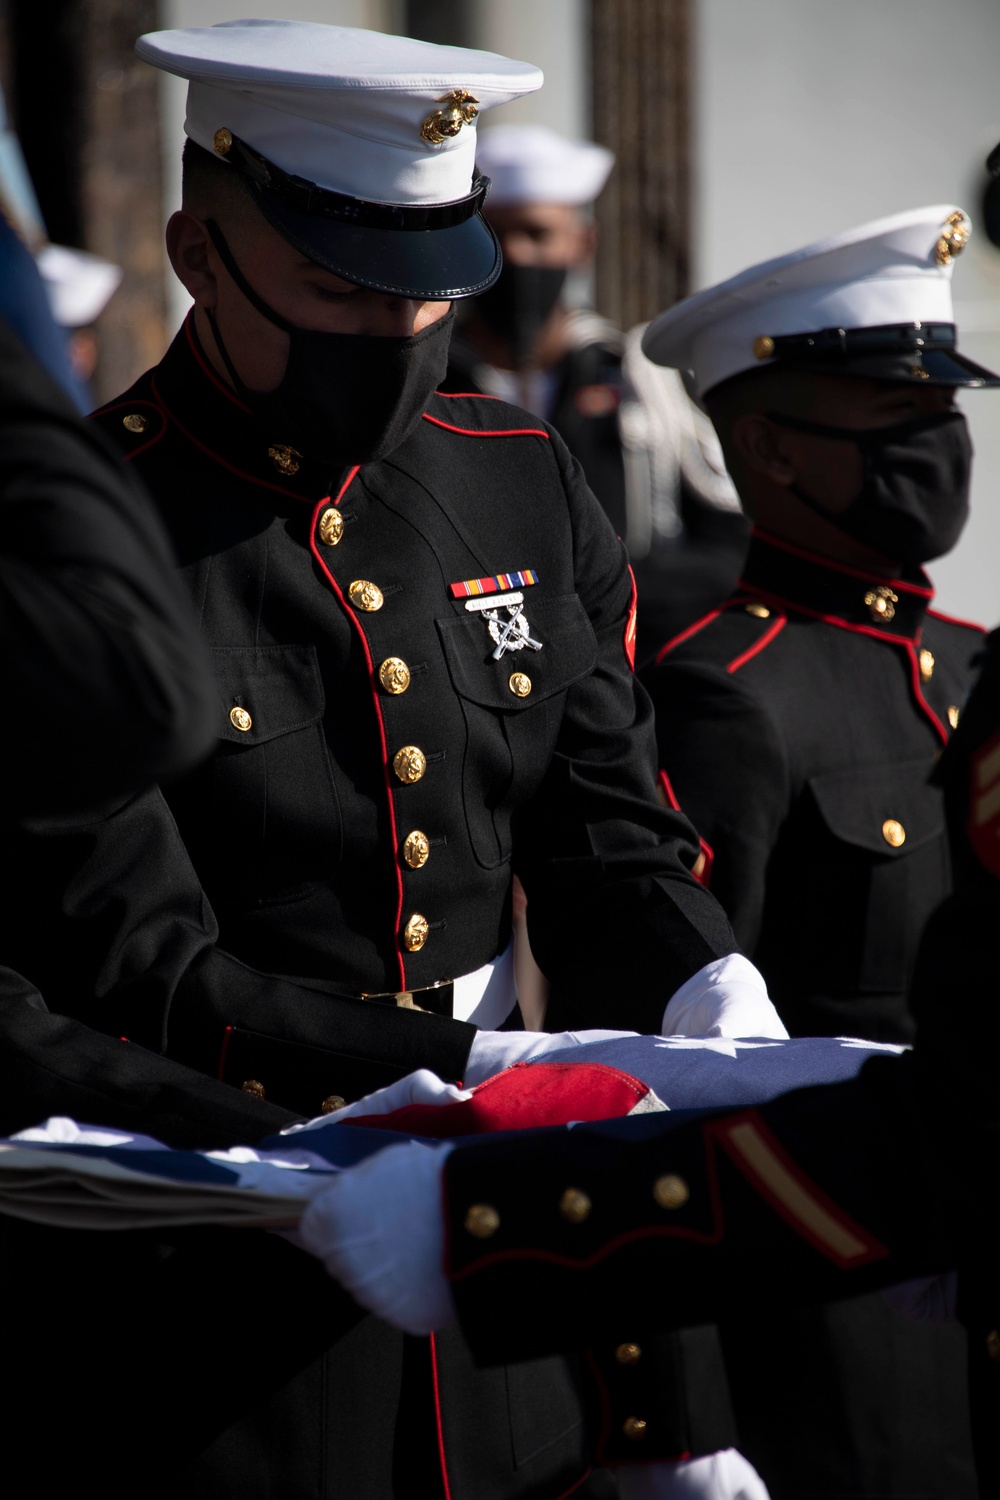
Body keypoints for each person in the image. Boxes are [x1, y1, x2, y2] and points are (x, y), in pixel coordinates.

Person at [3, 19, 779, 1500]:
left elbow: (606, 828)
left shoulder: (515, 475)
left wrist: (699, 983)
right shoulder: (87, 538)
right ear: (198, 249)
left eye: (427, 303)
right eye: (335, 293)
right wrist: (474, 1072)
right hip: (221, 1268)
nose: (388, 343)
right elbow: (144, 968)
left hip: (507, 1280)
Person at [632, 207, 993, 1498]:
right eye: (886, 418)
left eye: (943, 412)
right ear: (771, 446)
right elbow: (659, 1068)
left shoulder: (977, 667)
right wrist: (674, 1418)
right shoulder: (729, 694)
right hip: (840, 1340)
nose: (937, 449)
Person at [441, 123, 748, 660]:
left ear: (582, 243)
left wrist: (591, 602)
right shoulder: (430, 378)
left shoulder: (647, 379)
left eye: (537, 235)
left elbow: (728, 550)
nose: (515, 255)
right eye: (495, 234)